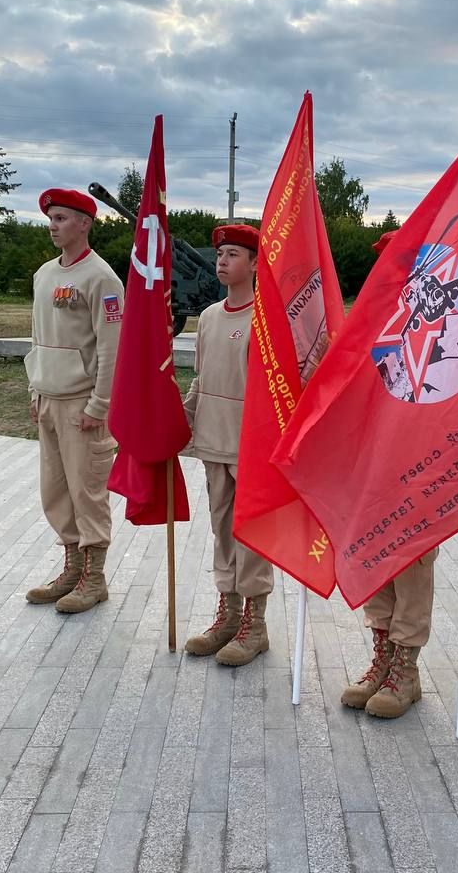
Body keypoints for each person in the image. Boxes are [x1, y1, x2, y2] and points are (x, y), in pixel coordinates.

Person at [341, 227, 438, 719]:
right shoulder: (364, 325)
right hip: (369, 464)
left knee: (411, 564)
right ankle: (381, 654)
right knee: (372, 555)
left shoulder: (438, 329)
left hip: (419, 467)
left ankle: (407, 666)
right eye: (387, 268)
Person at [23, 188, 124, 614]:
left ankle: (94, 578)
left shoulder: (102, 278)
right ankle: (71, 569)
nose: (53, 225)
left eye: (62, 218)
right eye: (51, 218)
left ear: (85, 223)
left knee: (87, 492)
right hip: (48, 398)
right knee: (56, 490)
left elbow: (111, 346)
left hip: (82, 405)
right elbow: (37, 335)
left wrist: (98, 405)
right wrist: (35, 388)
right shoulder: (44, 274)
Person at [182, 224, 275, 666]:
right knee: (222, 529)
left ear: (256, 264)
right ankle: (228, 612)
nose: (222, 261)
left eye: (234, 254)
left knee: (251, 534)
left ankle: (254, 625)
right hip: (214, 441)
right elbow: (202, 378)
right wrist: (184, 416)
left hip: (252, 447)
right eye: (220, 254)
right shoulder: (210, 316)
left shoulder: (267, 317)